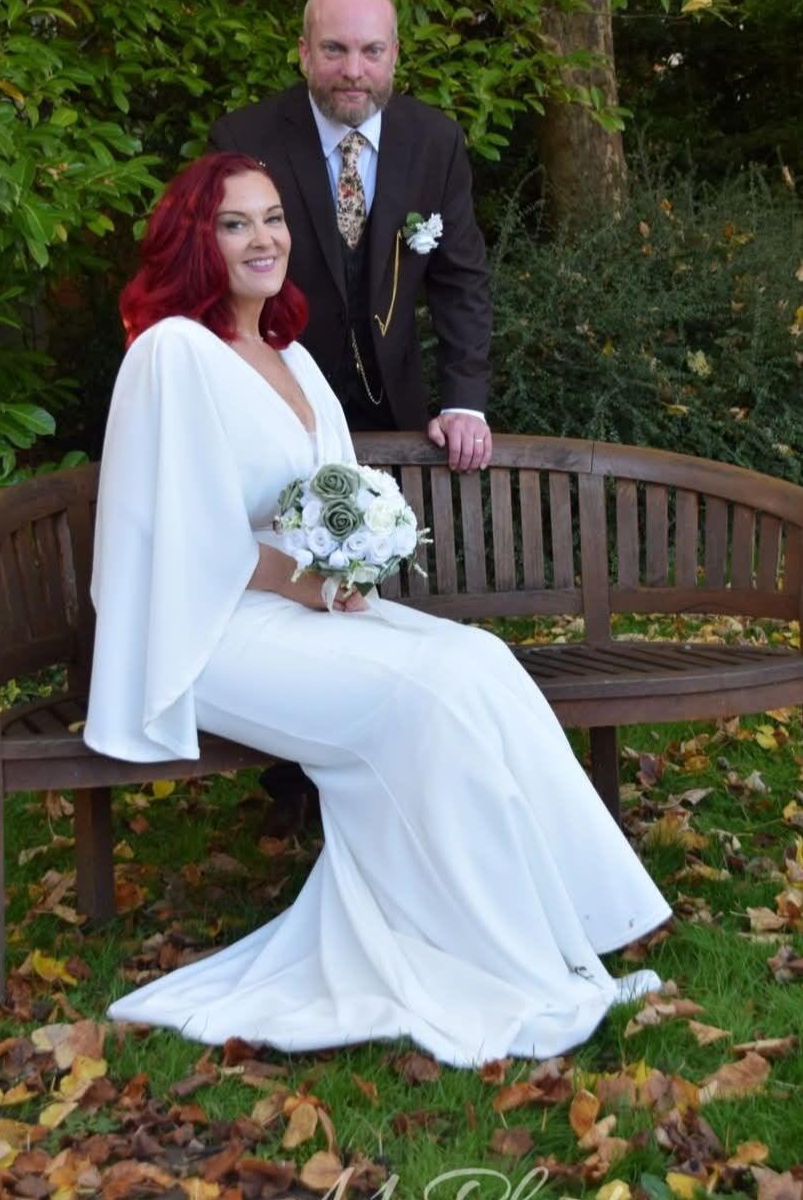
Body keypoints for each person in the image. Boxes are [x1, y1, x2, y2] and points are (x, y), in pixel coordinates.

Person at [85, 151, 670, 1067]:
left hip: (300, 611)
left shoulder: (289, 355)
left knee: (479, 662)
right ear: (194, 240)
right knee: (427, 694)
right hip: (209, 635)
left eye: (273, 218)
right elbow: (190, 540)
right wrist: (317, 581)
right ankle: (500, 964)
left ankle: (569, 936)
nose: (263, 238)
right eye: (234, 223)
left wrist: (353, 557)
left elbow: (330, 495)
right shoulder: (173, 352)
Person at [209, 0, 493, 473]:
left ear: (395, 55)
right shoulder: (243, 140)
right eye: (334, 49)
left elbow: (461, 280)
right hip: (276, 416)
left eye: (372, 51)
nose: (353, 71)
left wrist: (464, 403)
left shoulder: (435, 143)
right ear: (304, 52)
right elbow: (213, 283)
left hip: (396, 415)